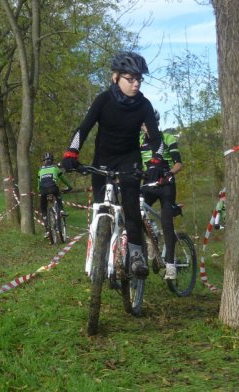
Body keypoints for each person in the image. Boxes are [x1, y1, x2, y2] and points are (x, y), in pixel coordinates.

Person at [61, 51, 164, 278]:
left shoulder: (144, 105)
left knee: (131, 207)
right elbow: (83, 128)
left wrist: (157, 161)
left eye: (139, 79)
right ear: (115, 77)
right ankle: (102, 254)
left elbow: (156, 139)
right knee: (100, 207)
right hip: (103, 160)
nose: (136, 84)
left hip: (129, 160)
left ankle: (136, 255)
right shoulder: (103, 100)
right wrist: (71, 151)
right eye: (130, 79)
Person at [140, 110, 183, 280]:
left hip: (165, 184)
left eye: (150, 123)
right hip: (148, 184)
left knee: (167, 223)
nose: (146, 127)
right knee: (136, 212)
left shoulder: (168, 138)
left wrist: (168, 175)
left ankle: (171, 265)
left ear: (157, 123)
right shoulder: (139, 141)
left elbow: (178, 163)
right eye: (143, 124)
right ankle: (152, 236)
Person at [38, 152, 72, 238]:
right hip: (53, 188)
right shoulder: (55, 168)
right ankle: (61, 211)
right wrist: (69, 187)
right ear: (52, 160)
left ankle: (46, 229)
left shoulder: (40, 170)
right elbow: (63, 179)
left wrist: (39, 190)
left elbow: (38, 184)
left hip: (43, 190)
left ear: (44, 161)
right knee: (58, 197)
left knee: (43, 208)